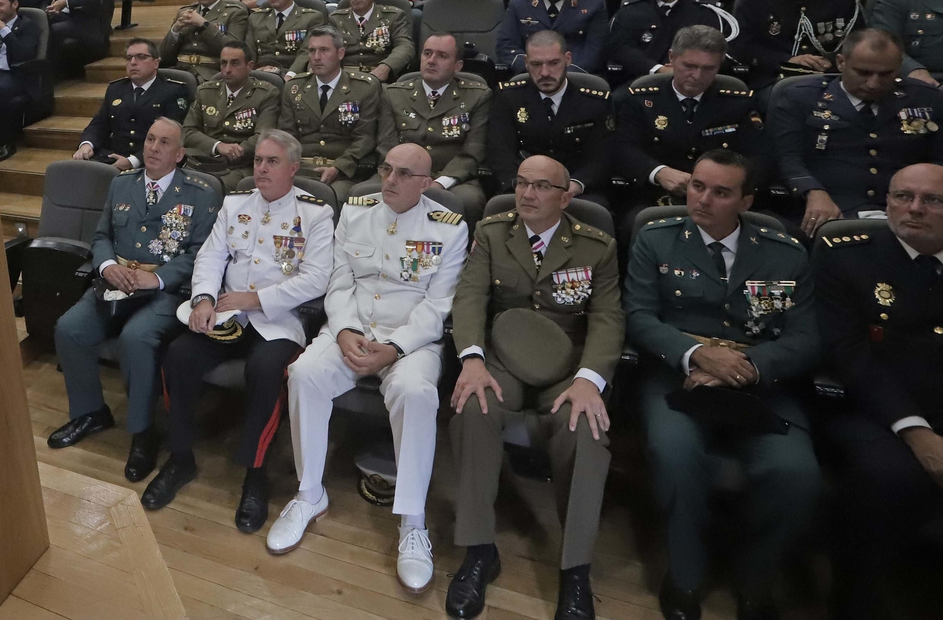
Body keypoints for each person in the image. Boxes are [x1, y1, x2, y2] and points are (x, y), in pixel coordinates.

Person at [625, 152, 820, 620]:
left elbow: (806, 338)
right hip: (679, 376)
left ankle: (756, 581)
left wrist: (746, 365)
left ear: (746, 201)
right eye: (697, 186)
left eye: (720, 192)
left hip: (760, 382)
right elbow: (639, 316)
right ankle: (685, 576)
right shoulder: (656, 238)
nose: (702, 199)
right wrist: (696, 354)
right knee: (675, 454)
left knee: (796, 474)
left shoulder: (784, 251)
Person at [267, 144, 468, 591]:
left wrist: (394, 348)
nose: (390, 180)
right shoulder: (357, 211)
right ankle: (309, 493)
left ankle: (412, 522)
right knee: (304, 374)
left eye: (404, 173)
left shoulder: (449, 228)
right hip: (351, 328)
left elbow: (439, 305)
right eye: (386, 169)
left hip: (410, 340)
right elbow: (339, 280)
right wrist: (343, 330)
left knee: (416, 392)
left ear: (425, 183)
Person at [445, 155, 622, 620]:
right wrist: (472, 359)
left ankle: (575, 570)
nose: (527, 194)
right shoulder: (492, 233)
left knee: (584, 430)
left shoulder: (596, 246)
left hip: (567, 365)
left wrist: (589, 380)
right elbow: (470, 297)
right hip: (502, 357)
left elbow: (607, 319)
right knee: (473, 407)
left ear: (565, 197)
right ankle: (478, 550)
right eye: (521, 183)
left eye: (541, 186)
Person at [143, 131, 334, 528]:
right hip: (226, 315)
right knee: (179, 355)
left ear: (293, 168)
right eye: (258, 160)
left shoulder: (315, 214)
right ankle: (180, 458)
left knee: (265, 371)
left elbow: (317, 279)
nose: (261, 168)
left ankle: (256, 473)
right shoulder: (235, 204)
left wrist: (256, 299)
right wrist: (203, 298)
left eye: (272, 162)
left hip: (278, 321)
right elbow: (210, 257)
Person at [815, 162, 943, 619]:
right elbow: (849, 355)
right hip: (879, 414)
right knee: (888, 481)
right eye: (903, 196)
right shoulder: (845, 254)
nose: (914, 208)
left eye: (933, 200)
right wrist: (918, 434)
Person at [47, 117, 221, 480]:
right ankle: (90, 412)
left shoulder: (200, 193)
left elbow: (201, 254)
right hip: (116, 283)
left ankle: (143, 433)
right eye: (150, 139)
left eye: (164, 142)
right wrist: (108, 266)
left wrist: (156, 278)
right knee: (69, 328)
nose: (154, 148)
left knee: (136, 339)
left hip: (166, 291)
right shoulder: (122, 183)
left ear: (179, 154)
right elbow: (102, 237)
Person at [769, 27, 943, 236]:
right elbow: (788, 157)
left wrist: (922, 201)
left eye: (886, 74)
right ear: (841, 63)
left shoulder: (926, 99)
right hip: (830, 206)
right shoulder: (801, 98)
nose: (873, 83)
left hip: (908, 209)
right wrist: (812, 191)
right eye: (863, 73)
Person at [611, 25, 759, 225]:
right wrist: (658, 172)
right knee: (633, 222)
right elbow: (623, 148)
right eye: (689, 66)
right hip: (657, 195)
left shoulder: (737, 103)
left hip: (721, 197)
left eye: (708, 68)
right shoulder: (641, 99)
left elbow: (759, 155)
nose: (697, 76)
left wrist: (726, 184)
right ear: (671, 58)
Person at [378, 32, 493, 223]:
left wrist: (440, 183)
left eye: (442, 56)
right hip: (399, 172)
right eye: (427, 53)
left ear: (458, 66)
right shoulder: (394, 94)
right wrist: (406, 177)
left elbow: (473, 152)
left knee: (469, 201)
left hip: (453, 176)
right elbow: (386, 144)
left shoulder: (477, 96)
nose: (431, 61)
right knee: (363, 193)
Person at [487, 32, 611, 203]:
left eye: (553, 63)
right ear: (526, 63)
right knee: (498, 207)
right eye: (536, 64)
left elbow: (601, 157)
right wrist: (522, 186)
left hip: (576, 190)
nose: (544, 73)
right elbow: (500, 152)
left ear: (567, 59)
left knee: (595, 211)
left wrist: (575, 185)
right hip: (521, 189)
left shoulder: (594, 102)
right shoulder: (509, 97)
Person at [732, 0, 861, 91]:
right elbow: (741, 48)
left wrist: (829, 63)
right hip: (774, 79)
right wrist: (788, 60)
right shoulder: (756, 0)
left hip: (829, 78)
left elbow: (857, 43)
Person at [275, 27, 383, 200]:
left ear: (340, 53)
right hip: (300, 169)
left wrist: (338, 167)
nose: (316, 57)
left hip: (343, 172)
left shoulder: (363, 88)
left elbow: (365, 138)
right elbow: (286, 136)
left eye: (324, 50)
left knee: (329, 198)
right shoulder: (294, 87)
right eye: (312, 51)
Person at [606, 0, 737, 80]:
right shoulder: (630, 12)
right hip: (642, 81)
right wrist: (658, 69)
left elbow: (725, 53)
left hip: (697, 82)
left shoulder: (705, 14)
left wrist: (684, 69)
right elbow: (619, 49)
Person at [74, 39, 190, 170]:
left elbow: (171, 136)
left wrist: (134, 161)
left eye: (141, 57)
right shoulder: (116, 88)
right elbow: (99, 124)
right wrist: (87, 144)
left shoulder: (173, 91)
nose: (133, 62)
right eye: (129, 58)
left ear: (156, 63)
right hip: (113, 158)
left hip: (151, 162)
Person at [182, 41, 281, 190]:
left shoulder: (266, 94)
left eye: (235, 63)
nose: (227, 69)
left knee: (209, 188)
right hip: (205, 162)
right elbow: (188, 131)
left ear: (249, 66)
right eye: (224, 63)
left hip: (241, 167)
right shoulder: (206, 91)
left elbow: (263, 136)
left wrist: (235, 151)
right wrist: (217, 146)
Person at [296, 0, 412, 81]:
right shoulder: (336, 19)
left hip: (379, 80)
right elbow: (325, 49)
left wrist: (386, 66)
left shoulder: (392, 16)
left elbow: (405, 46)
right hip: (344, 82)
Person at [0, 0, 40, 162]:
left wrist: (4, 30)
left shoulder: (27, 25)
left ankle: (6, 143)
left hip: (14, 74)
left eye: (1, 5)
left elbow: (23, 54)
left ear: (14, 4)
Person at [247, 0, 329, 74]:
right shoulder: (256, 18)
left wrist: (291, 74)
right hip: (260, 73)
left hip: (294, 74)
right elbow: (249, 52)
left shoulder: (311, 18)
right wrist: (251, 73)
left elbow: (306, 52)